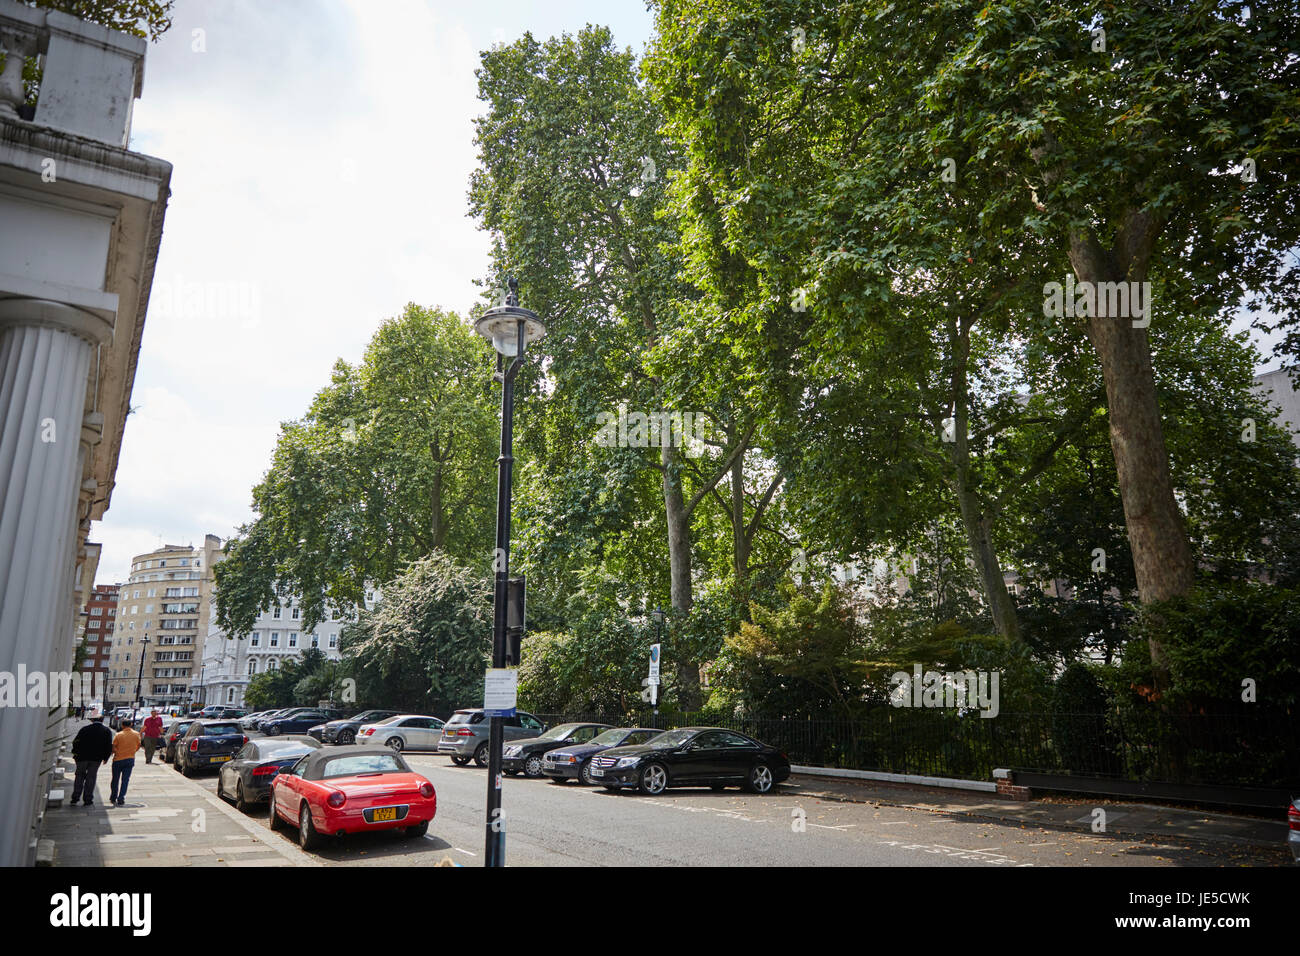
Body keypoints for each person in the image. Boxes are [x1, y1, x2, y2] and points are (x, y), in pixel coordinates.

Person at [69, 710, 113, 807]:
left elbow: (75, 742)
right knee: (91, 777)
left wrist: (75, 754)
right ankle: (88, 799)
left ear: (92, 720)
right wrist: (106, 757)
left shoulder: (85, 729)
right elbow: (108, 746)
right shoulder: (106, 731)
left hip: (82, 757)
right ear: (102, 720)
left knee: (79, 776)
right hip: (96, 759)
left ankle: (75, 798)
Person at [109, 718, 142, 806]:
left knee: (115, 779)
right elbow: (139, 745)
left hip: (118, 759)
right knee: (125, 780)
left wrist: (116, 752)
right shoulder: (136, 734)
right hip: (130, 759)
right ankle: (121, 798)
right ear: (131, 725)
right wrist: (132, 751)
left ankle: (113, 796)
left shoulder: (118, 735)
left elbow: (114, 746)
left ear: (122, 725)